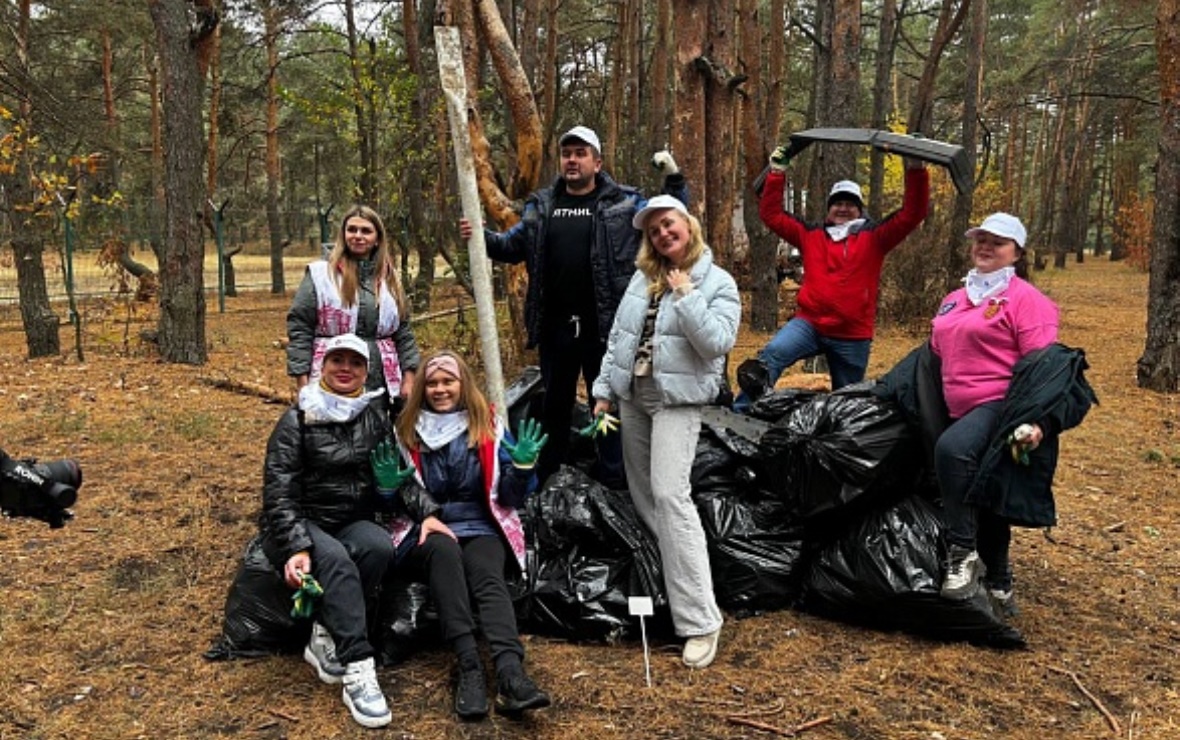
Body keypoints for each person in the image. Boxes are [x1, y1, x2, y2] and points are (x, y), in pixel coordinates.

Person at [460, 125, 688, 486]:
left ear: (597, 162)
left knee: (609, 405)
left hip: (605, 328)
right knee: (554, 407)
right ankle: (548, 480)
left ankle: (614, 481)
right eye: (567, 153)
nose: (572, 159)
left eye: (581, 153)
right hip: (556, 329)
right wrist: (478, 236)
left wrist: (674, 180)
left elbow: (671, 219)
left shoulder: (624, 203)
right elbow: (509, 247)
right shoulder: (541, 207)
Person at [591, 195, 740, 668]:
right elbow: (619, 337)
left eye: (667, 225)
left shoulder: (718, 282)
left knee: (671, 497)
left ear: (687, 224)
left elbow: (717, 343)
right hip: (634, 397)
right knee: (646, 500)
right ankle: (673, 586)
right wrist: (603, 390)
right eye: (653, 230)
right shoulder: (642, 279)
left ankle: (701, 620)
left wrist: (687, 295)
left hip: (678, 402)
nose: (661, 234)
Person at [380, 350, 551, 720]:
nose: (440, 389)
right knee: (445, 556)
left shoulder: (487, 425)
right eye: (432, 382)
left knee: (488, 575)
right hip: (426, 526)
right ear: (422, 387)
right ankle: (469, 665)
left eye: (448, 382)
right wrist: (388, 491)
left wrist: (521, 469)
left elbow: (507, 497)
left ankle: (510, 673)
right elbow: (397, 500)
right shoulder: (405, 432)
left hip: (480, 524)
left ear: (463, 384)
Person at [257, 334, 397, 729]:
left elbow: (394, 473)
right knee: (334, 559)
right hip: (301, 520)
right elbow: (278, 491)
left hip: (349, 519)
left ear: (365, 372)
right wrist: (296, 546)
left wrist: (428, 512)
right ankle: (358, 668)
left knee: (377, 546)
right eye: (337, 360)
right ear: (323, 365)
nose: (345, 369)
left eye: (354, 363)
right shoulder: (298, 418)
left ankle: (323, 633)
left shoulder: (372, 415)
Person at [931, 213, 1061, 612]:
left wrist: (1036, 420)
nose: (986, 247)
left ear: (1017, 253)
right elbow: (933, 354)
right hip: (956, 405)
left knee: (952, 452)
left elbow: (1044, 367)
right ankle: (1001, 582)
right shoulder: (956, 297)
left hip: (999, 406)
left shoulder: (1028, 301)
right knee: (985, 494)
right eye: (981, 239)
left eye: (998, 242)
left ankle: (963, 553)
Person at [738, 148, 929, 405]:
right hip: (809, 325)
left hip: (852, 335)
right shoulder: (811, 234)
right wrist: (776, 173)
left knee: (847, 400)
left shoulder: (875, 237)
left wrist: (916, 167)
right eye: (838, 203)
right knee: (771, 355)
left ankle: (837, 440)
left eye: (850, 204)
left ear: (860, 210)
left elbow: (912, 214)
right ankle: (740, 413)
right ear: (829, 208)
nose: (843, 208)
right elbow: (771, 215)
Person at [287, 204, 420, 404]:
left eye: (366, 231)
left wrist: (409, 377)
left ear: (377, 239)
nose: (358, 236)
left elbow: (403, 332)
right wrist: (302, 382)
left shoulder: (390, 279)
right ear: (343, 234)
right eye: (352, 230)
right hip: (332, 374)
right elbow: (300, 328)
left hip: (382, 376)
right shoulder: (320, 275)